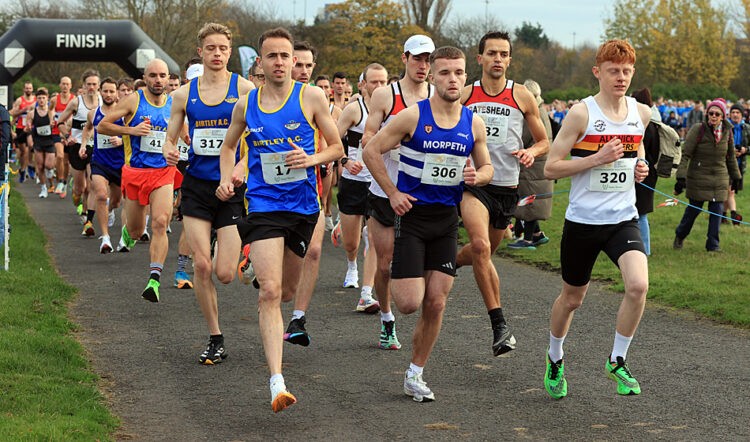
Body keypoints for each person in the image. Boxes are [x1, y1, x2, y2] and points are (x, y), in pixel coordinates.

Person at [216, 27, 344, 413]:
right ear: (260, 61)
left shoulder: (311, 97)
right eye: (271, 56)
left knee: (287, 291)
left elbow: (337, 146)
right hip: (264, 204)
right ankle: (277, 381)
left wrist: (311, 159)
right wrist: (226, 178)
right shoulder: (246, 105)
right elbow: (226, 146)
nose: (279, 62)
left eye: (284, 56)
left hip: (303, 209)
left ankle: (254, 265)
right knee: (269, 293)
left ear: (293, 60)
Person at [364, 46, 493, 402]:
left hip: (446, 222)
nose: (453, 79)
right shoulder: (411, 116)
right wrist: (391, 192)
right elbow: (372, 150)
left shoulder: (473, 121)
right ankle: (402, 286)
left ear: (466, 77)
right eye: (445, 73)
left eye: (459, 73)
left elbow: (487, 168)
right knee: (409, 303)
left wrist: (477, 176)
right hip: (413, 219)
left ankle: (415, 373)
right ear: (433, 77)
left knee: (436, 303)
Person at [543, 39, 651, 399]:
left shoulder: (641, 112)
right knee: (572, 299)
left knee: (638, 285)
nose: (620, 77)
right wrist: (595, 159)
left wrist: (640, 167)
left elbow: (638, 153)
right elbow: (550, 167)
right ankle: (555, 356)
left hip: (623, 218)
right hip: (583, 222)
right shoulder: (581, 114)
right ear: (597, 72)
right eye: (612, 71)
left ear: (632, 72)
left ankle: (617, 360)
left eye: (626, 71)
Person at [163, 22, 254, 365]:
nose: (217, 54)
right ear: (200, 52)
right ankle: (216, 337)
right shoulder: (184, 94)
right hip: (197, 188)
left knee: (225, 273)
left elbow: (257, 142)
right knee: (201, 265)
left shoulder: (245, 90)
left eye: (223, 48)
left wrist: (238, 169)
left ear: (230, 52)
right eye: (211, 48)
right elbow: (171, 139)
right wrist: (169, 151)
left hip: (229, 188)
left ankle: (245, 245)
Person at [457, 31, 549, 356]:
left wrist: (531, 153)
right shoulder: (465, 95)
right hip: (473, 185)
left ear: (510, 59)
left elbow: (543, 140)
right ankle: (499, 326)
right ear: (479, 58)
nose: (498, 59)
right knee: (480, 247)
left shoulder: (521, 95)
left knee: (482, 253)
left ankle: (446, 261)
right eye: (492, 53)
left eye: (504, 54)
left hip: (507, 190)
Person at [362, 34, 436, 351]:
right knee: (384, 264)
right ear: (404, 58)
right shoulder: (385, 95)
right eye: (418, 58)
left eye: (428, 59)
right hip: (384, 191)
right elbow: (367, 137)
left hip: (422, 194)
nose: (423, 65)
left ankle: (418, 313)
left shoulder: (439, 95)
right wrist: (390, 141)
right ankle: (387, 318)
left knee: (421, 265)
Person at [98, 59, 175, 301]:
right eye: (153, 75)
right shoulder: (134, 100)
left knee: (160, 222)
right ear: (145, 76)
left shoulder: (175, 103)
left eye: (162, 75)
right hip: (136, 172)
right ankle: (127, 232)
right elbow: (102, 125)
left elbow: (185, 134)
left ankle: (154, 279)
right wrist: (132, 130)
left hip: (163, 172)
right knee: (136, 229)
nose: (158, 80)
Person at [335, 63, 388, 312]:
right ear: (362, 85)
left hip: (378, 183)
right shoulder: (354, 109)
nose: (379, 87)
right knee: (351, 241)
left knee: (374, 239)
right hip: (354, 182)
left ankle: (366, 293)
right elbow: (333, 139)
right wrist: (345, 161)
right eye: (374, 82)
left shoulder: (392, 110)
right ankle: (351, 264)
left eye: (383, 82)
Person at [673, 99, 741, 252]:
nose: (714, 116)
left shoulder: (727, 132)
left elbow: (730, 157)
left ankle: (713, 245)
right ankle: (680, 235)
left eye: (717, 114)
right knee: (693, 211)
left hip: (719, 178)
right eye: (711, 113)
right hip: (698, 177)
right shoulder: (698, 130)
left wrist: (736, 177)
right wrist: (681, 177)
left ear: (723, 116)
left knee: (716, 212)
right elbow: (685, 154)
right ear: (707, 114)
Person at [508, 79, 554, 249]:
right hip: (539, 163)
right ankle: (537, 234)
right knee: (532, 200)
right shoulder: (541, 110)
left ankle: (527, 240)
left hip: (533, 164)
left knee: (529, 201)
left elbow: (526, 137)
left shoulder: (534, 113)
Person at [80, 77, 124, 253]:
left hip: (120, 163)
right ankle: (105, 237)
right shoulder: (94, 113)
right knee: (99, 194)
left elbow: (134, 133)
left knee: (116, 200)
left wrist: (121, 139)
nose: (108, 94)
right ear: (100, 92)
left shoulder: (124, 113)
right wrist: (84, 144)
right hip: (100, 161)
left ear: (117, 93)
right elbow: (88, 128)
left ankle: (110, 210)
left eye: (111, 91)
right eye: (105, 91)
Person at [57, 70, 102, 223]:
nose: (91, 87)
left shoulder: (104, 102)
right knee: (79, 189)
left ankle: (86, 216)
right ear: (83, 85)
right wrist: (67, 136)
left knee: (91, 186)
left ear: (99, 85)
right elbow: (60, 123)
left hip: (96, 148)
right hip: (76, 147)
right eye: (88, 84)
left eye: (94, 84)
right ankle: (77, 199)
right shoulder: (76, 102)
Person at [632, 87, 660, 256]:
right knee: (639, 214)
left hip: (643, 173)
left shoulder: (644, 126)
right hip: (648, 173)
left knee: (640, 214)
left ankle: (645, 251)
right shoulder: (654, 125)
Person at [26, 88, 56, 198]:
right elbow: (27, 128)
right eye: (39, 98)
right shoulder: (32, 113)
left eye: (43, 98)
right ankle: (44, 188)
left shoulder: (51, 111)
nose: (41, 100)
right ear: (36, 99)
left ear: (47, 98)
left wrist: (53, 124)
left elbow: (56, 124)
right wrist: (28, 127)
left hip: (50, 140)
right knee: (40, 166)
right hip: (38, 141)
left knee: (48, 165)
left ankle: (51, 175)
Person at [50, 76, 74, 197]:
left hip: (69, 133)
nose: (65, 86)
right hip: (56, 131)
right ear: (60, 85)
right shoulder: (55, 99)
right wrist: (51, 119)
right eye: (63, 84)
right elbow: (50, 110)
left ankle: (64, 181)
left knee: (66, 161)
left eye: (67, 84)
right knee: (59, 156)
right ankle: (59, 180)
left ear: (70, 86)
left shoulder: (74, 99)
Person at [726, 103, 749, 224]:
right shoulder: (725, 127)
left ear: (742, 114)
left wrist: (746, 150)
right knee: (730, 191)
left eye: (737, 112)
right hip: (726, 165)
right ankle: (734, 215)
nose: (735, 115)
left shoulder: (747, 128)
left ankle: (722, 216)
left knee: (729, 191)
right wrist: (731, 151)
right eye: (733, 112)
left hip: (740, 165)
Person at [9, 81, 36, 183]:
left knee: (31, 147)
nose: (28, 90)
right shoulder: (20, 100)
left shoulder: (35, 100)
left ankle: (29, 166)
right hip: (21, 128)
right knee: (23, 151)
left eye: (30, 88)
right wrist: (23, 110)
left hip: (31, 128)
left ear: (32, 89)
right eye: (26, 88)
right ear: (24, 89)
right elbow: (13, 113)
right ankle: (23, 169)